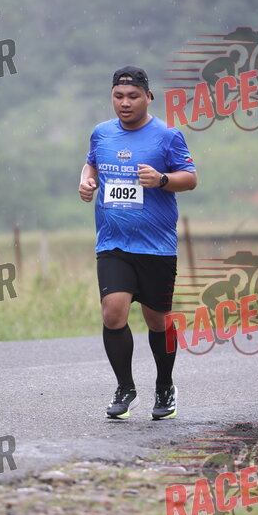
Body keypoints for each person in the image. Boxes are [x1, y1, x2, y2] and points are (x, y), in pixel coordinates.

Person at [78, 66, 198, 420]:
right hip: (113, 242)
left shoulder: (167, 136)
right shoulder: (101, 133)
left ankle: (165, 385)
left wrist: (162, 180)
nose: (125, 103)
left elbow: (190, 178)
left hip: (156, 246)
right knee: (113, 312)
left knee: (157, 320)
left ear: (148, 97)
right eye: (118, 96)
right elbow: (90, 165)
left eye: (133, 96)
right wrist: (86, 182)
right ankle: (125, 388)